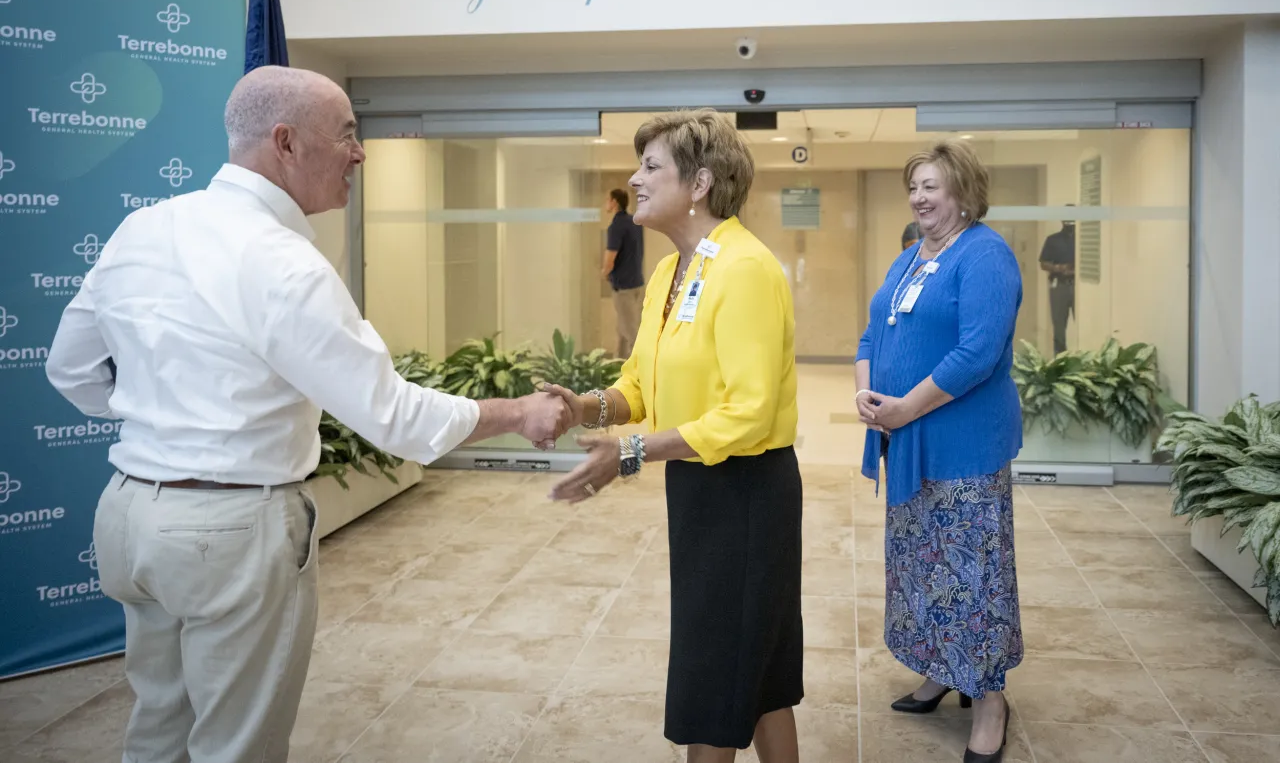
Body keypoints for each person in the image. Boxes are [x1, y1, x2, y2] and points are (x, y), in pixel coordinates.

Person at [44, 65, 571, 763]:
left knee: (158, 731)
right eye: (348, 134)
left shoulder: (144, 227)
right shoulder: (282, 262)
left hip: (129, 518)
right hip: (228, 537)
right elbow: (394, 417)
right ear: (286, 142)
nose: (361, 152)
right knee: (237, 747)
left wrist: (167, 423)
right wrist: (520, 412)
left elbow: (69, 368)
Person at [546, 109, 804, 763]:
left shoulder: (745, 268)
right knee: (759, 674)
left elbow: (748, 412)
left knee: (714, 676)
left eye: (650, 166)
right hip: (700, 484)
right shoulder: (670, 272)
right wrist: (584, 405)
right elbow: (639, 388)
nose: (633, 178)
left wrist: (630, 453)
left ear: (700, 183)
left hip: (747, 493)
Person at [855, 139, 1024, 763]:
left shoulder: (985, 255)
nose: (919, 197)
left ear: (963, 192)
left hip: (962, 446)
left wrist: (904, 408)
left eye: (932, 186)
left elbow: (977, 355)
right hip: (906, 441)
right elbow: (872, 331)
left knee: (970, 575)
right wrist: (868, 394)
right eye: (914, 187)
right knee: (921, 567)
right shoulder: (911, 258)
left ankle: (989, 701)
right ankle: (940, 669)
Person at [602, 187, 646, 357]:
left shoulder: (616, 226)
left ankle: (642, 374)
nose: (606, 203)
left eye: (608, 199)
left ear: (614, 202)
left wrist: (605, 272)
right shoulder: (634, 223)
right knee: (623, 327)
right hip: (636, 283)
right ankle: (618, 363)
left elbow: (610, 259)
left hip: (623, 287)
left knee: (631, 332)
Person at [1039, 208, 1076, 355]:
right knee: (1059, 328)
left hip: (1080, 288)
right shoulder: (1053, 240)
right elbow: (1043, 263)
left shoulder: (1083, 240)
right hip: (1059, 285)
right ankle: (1060, 361)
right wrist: (1059, 268)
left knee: (1087, 325)